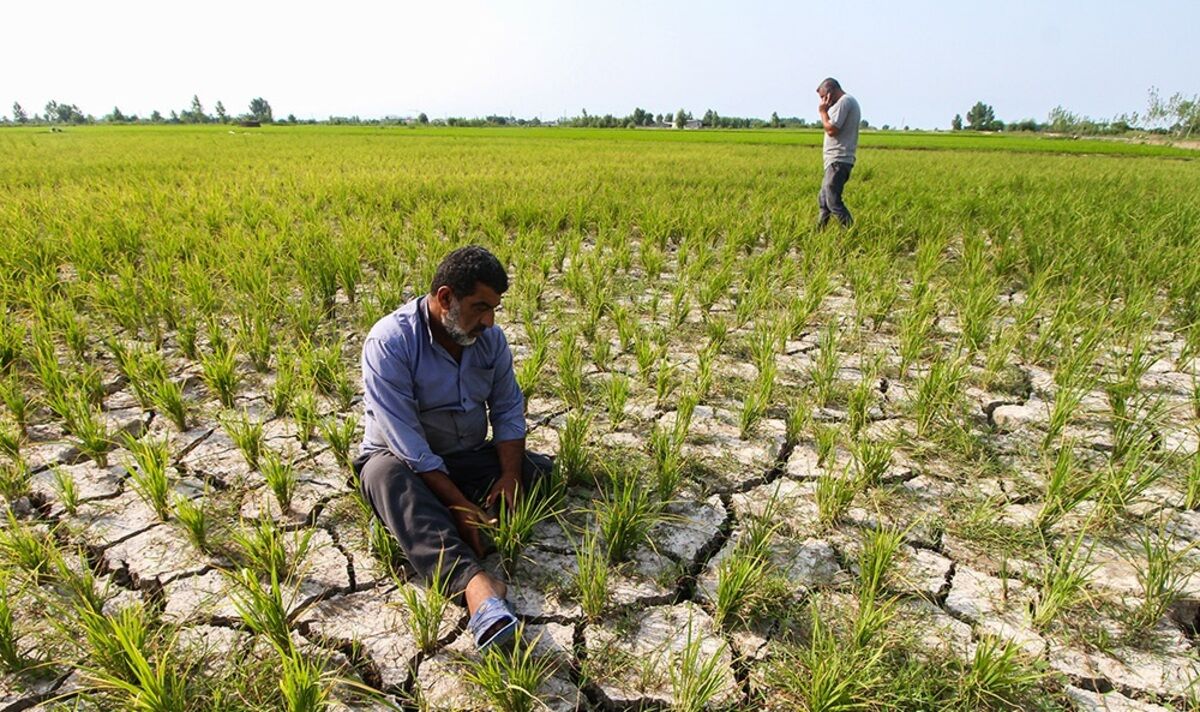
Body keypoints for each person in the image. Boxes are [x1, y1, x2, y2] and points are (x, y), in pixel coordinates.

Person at [354, 245, 550, 651]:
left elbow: (507, 409)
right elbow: (408, 444)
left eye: (494, 309)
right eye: (480, 307)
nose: (489, 321)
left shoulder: (490, 340)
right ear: (446, 298)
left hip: (466, 458)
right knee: (385, 478)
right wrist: (459, 504)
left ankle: (421, 522)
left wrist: (510, 476)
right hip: (406, 464)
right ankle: (478, 590)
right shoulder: (390, 342)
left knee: (538, 472)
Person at [816, 77, 861, 228]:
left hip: (839, 160)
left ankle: (851, 232)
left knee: (833, 201)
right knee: (824, 201)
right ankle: (818, 233)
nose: (822, 101)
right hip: (834, 161)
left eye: (823, 97)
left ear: (830, 92)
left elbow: (831, 129)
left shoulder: (844, 102)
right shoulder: (845, 103)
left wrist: (823, 112)